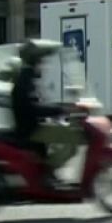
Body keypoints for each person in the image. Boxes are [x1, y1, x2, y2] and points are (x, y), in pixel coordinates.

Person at [11, 40, 84, 188]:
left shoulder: (28, 78)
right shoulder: (26, 80)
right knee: (73, 139)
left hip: (33, 125)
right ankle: (47, 172)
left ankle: (48, 171)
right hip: (30, 130)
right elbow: (33, 108)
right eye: (42, 62)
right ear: (36, 62)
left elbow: (38, 105)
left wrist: (59, 110)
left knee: (64, 135)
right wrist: (61, 110)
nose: (45, 66)